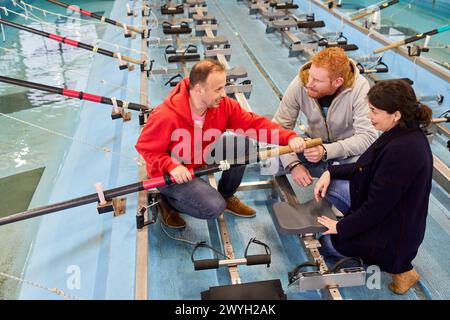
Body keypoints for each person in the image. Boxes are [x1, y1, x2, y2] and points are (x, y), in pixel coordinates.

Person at [136, 59, 305, 228]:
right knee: (214, 208)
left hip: (199, 156)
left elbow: (255, 124)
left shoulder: (222, 105)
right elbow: (146, 149)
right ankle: (166, 202)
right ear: (198, 90)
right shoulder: (165, 115)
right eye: (218, 89)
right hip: (171, 173)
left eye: (224, 87)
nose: (224, 94)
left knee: (242, 145)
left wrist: (288, 137)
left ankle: (226, 195)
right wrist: (171, 166)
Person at [314, 79, 433, 295]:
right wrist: (330, 172)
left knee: (326, 242)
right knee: (331, 186)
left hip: (390, 237)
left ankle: (399, 270)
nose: (370, 117)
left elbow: (376, 209)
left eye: (374, 111)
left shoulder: (403, 152)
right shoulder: (399, 132)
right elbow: (362, 167)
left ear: (395, 114)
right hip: (386, 215)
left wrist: (341, 228)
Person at [271, 47, 377, 212]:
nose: (309, 83)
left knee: (351, 191)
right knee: (269, 162)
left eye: (317, 81)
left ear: (337, 82)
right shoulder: (302, 81)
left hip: (346, 154)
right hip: (311, 146)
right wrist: (293, 164)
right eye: (310, 76)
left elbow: (368, 137)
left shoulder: (360, 88)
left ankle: (333, 178)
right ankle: (324, 171)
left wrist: (326, 151)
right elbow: (280, 126)